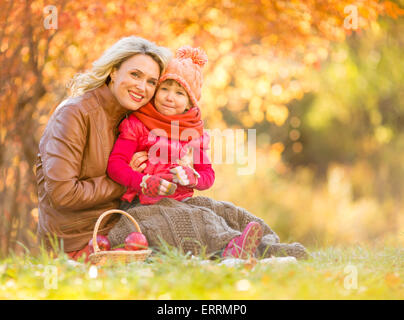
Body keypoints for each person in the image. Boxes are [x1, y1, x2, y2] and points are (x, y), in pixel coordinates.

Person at [107, 46, 264, 259]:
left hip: (181, 199)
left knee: (215, 210)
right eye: (164, 89)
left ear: (190, 102)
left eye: (179, 93)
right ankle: (229, 247)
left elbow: (208, 176)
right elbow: (116, 164)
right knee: (188, 219)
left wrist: (193, 177)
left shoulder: (193, 133)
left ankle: (252, 242)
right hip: (142, 203)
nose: (170, 97)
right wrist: (142, 181)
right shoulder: (137, 123)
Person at [35, 36, 172, 261]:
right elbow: (63, 193)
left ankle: (241, 250)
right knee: (178, 228)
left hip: (123, 222)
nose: (142, 87)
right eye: (135, 74)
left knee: (202, 208)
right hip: (80, 239)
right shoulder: (73, 114)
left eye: (151, 82)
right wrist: (125, 179)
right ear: (114, 72)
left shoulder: (133, 120)